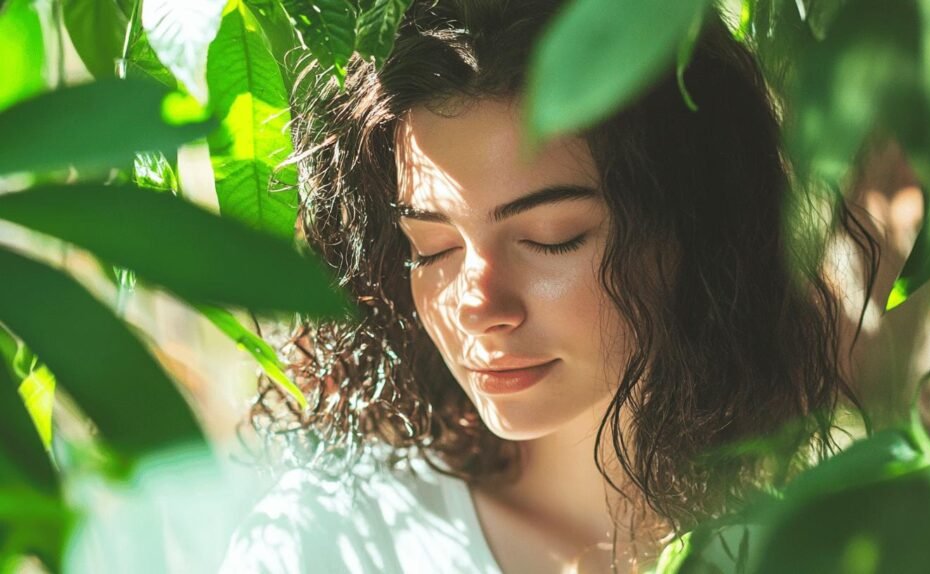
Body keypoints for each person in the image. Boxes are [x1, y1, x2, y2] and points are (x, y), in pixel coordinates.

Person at [221, 0, 874, 572]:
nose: (478, 306)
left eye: (551, 237)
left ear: (694, 228)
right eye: (433, 248)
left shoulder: (815, 547)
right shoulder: (326, 546)